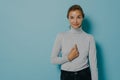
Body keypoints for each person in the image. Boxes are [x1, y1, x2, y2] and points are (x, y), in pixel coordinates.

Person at [51, 4, 98, 80]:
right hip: (66, 75)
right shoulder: (61, 36)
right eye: (72, 17)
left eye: (78, 17)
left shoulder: (90, 38)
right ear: (68, 18)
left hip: (84, 75)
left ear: (83, 17)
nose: (75, 21)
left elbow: (93, 66)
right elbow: (53, 60)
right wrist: (68, 58)